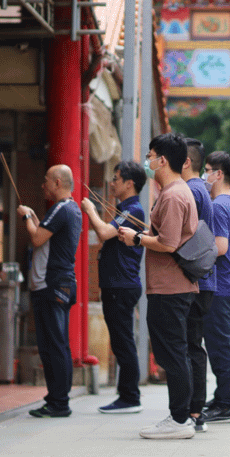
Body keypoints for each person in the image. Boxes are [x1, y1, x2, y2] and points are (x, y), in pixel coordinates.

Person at [124, 133, 198, 440]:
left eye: (151, 156)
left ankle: (180, 419)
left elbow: (167, 243)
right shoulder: (177, 191)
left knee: (172, 354)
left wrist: (136, 238)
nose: (148, 162)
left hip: (170, 288)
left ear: (162, 160)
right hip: (173, 286)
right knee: (175, 353)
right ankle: (181, 415)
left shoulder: (171, 195)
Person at [81, 161, 146, 415]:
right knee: (121, 341)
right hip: (117, 283)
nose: (112, 183)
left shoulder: (133, 210)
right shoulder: (125, 209)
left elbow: (104, 232)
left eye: (116, 178)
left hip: (122, 284)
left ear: (130, 183)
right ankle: (127, 394)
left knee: (123, 341)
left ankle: (130, 396)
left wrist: (90, 209)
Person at [18, 164, 81, 419]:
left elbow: (37, 238)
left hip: (52, 284)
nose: (42, 185)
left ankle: (58, 402)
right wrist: (34, 217)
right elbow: (45, 234)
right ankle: (57, 398)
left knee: (53, 344)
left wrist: (25, 217)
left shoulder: (61, 208)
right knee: (58, 344)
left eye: (46, 181)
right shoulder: (70, 209)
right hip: (60, 283)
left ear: (57, 182)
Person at [200, 151, 230, 424]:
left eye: (206, 170)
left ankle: (226, 404)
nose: (204, 175)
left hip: (220, 287)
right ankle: (223, 398)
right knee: (226, 345)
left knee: (220, 348)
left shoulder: (218, 206)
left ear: (218, 174)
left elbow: (220, 247)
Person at [181, 138, 214, 432]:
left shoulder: (191, 190)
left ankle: (193, 412)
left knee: (190, 346)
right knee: (194, 345)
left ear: (186, 161)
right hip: (204, 278)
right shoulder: (201, 189)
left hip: (196, 278)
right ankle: (195, 410)